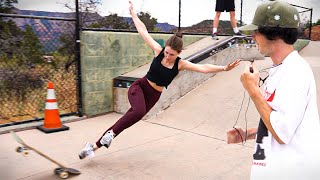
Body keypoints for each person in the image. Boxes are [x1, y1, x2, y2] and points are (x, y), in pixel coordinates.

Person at [79, 0, 241, 159]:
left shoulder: (181, 64)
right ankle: (109, 136)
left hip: (153, 96)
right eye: (167, 53)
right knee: (138, 111)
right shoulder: (158, 50)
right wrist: (134, 14)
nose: (168, 56)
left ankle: (94, 146)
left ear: (178, 53)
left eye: (172, 54)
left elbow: (203, 68)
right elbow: (143, 32)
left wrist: (224, 68)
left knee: (129, 120)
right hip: (140, 87)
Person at [227, 1, 320, 179]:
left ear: (274, 34)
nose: (253, 36)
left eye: (257, 31)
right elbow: (284, 121)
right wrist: (248, 134)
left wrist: (253, 90)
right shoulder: (282, 68)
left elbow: (282, 132)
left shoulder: (295, 72)